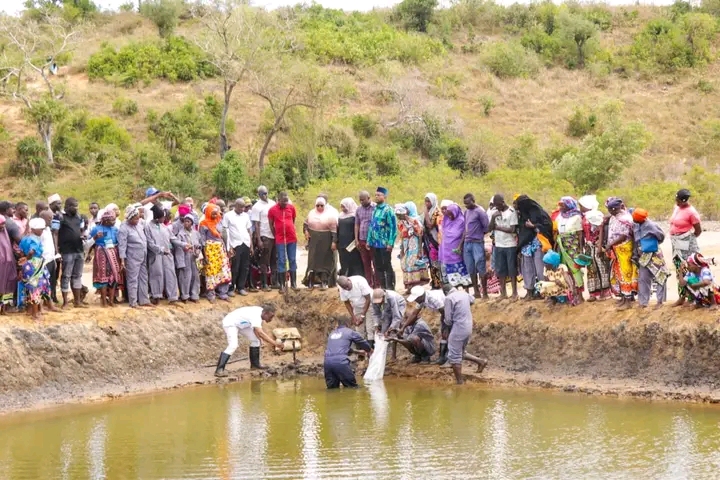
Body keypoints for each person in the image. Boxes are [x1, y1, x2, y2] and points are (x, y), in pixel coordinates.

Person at [214, 304, 284, 377]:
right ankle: (219, 369)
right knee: (233, 345)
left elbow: (255, 329)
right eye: (271, 316)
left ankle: (255, 365)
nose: (271, 319)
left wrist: (260, 339)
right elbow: (260, 332)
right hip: (231, 323)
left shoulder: (261, 312)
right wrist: (275, 343)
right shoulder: (256, 316)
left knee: (256, 340)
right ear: (265, 313)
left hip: (243, 324)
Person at [444, 287, 487, 385]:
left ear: (445, 292)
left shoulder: (448, 298)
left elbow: (448, 320)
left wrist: (447, 329)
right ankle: (481, 361)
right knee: (460, 351)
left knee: (454, 355)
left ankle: (460, 382)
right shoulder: (464, 294)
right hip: (468, 326)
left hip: (458, 327)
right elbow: (472, 300)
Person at [514, 195, 552, 301]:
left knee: (540, 269)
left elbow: (547, 225)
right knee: (527, 269)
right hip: (526, 245)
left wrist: (534, 226)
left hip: (538, 243)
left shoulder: (538, 212)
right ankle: (530, 291)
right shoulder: (522, 215)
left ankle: (545, 292)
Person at [669, 189, 702, 307]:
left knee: (690, 269)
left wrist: (688, 240)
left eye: (677, 200)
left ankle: (693, 297)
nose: (676, 201)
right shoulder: (677, 208)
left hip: (687, 243)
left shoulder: (691, 212)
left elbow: (698, 230)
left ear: (683, 201)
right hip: (676, 243)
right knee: (679, 268)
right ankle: (682, 296)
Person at [604, 197, 638, 310]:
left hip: (624, 248)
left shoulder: (625, 218)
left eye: (612, 209)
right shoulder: (615, 217)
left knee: (626, 273)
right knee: (619, 272)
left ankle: (628, 299)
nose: (610, 211)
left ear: (617, 208)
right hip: (617, 249)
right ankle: (624, 297)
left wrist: (610, 244)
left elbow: (623, 235)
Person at [632, 208, 669, 309]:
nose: (633, 220)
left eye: (635, 219)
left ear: (641, 220)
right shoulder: (635, 225)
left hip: (654, 254)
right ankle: (643, 302)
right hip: (643, 256)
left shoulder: (651, 225)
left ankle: (660, 301)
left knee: (660, 276)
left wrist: (651, 243)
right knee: (643, 278)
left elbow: (661, 236)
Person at [323, 316, 373, 389]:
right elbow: (362, 343)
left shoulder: (332, 334)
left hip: (327, 363)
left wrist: (357, 352)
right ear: (348, 323)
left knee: (332, 389)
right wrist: (370, 350)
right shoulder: (350, 332)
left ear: (338, 324)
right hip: (341, 362)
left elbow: (339, 347)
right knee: (352, 388)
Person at [145, 205, 181, 305]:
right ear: (157, 217)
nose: (164, 219)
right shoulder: (148, 227)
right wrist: (160, 250)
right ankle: (156, 296)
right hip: (156, 255)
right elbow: (150, 243)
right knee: (156, 274)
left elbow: (173, 239)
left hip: (167, 255)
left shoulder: (164, 227)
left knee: (170, 274)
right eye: (162, 217)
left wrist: (184, 245)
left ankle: (172, 298)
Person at [18, 222, 55, 320]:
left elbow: (20, 251)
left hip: (27, 265)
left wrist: (24, 259)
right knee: (35, 288)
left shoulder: (25, 238)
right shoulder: (34, 239)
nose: (42, 231)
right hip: (34, 263)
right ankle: (35, 314)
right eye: (41, 229)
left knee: (29, 287)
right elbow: (32, 251)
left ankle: (30, 311)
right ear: (34, 229)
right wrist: (28, 257)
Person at [118, 204, 152, 309]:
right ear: (130, 218)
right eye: (135, 219)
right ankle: (133, 302)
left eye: (138, 218)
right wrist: (122, 260)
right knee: (132, 279)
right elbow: (122, 245)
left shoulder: (140, 224)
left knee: (143, 277)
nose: (138, 220)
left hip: (142, 255)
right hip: (132, 257)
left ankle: (144, 300)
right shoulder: (124, 228)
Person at [579, 196, 612, 302]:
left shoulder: (596, 215)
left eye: (582, 205)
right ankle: (594, 292)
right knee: (591, 269)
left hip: (597, 245)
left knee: (601, 267)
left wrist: (599, 246)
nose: (580, 207)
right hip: (589, 246)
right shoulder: (584, 217)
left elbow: (601, 230)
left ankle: (605, 292)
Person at [89, 210, 123, 308]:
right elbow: (88, 241)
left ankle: (111, 301)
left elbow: (118, 242)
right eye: (112, 220)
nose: (114, 221)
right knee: (103, 277)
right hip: (101, 253)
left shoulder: (115, 229)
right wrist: (95, 237)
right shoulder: (96, 229)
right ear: (106, 220)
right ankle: (103, 301)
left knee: (114, 276)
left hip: (113, 253)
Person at [57, 197, 87, 309]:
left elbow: (83, 230)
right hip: (67, 251)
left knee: (77, 276)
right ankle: (65, 302)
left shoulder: (80, 217)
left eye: (77, 205)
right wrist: (57, 250)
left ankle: (77, 301)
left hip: (79, 250)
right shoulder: (61, 218)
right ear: (67, 207)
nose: (76, 208)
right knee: (66, 276)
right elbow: (55, 233)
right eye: (74, 206)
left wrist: (84, 234)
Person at [406, 285, 448, 364]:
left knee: (446, 333)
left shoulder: (433, 298)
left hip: (448, 311)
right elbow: (414, 313)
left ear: (421, 296)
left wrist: (446, 324)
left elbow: (444, 311)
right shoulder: (421, 300)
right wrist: (403, 327)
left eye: (416, 299)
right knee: (444, 334)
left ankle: (444, 357)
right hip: (444, 312)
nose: (415, 301)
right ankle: (442, 357)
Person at [303, 197, 338, 290]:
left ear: (325, 205)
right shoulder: (311, 213)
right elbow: (305, 224)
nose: (319, 207)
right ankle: (310, 282)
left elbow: (334, 231)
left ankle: (324, 282)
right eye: (317, 205)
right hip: (313, 241)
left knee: (324, 262)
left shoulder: (330, 215)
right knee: (312, 262)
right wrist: (306, 231)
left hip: (326, 241)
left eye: (321, 205)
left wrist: (334, 242)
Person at [200, 204, 232, 303]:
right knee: (211, 273)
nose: (215, 215)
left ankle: (223, 293)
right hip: (210, 251)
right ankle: (211, 294)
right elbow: (202, 240)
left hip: (220, 249)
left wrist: (227, 249)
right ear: (208, 213)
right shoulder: (203, 224)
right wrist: (204, 255)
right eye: (212, 214)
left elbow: (223, 236)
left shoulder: (219, 221)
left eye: (216, 213)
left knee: (224, 271)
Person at [366, 187, 397, 290]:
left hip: (385, 243)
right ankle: (382, 286)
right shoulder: (375, 210)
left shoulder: (388, 210)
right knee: (378, 265)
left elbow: (393, 227)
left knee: (387, 265)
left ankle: (390, 287)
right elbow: (371, 226)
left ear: (385, 197)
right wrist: (369, 241)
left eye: (379, 195)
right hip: (375, 243)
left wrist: (390, 243)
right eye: (375, 195)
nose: (376, 197)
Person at [489, 194, 519, 300]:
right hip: (498, 244)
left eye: (498, 205)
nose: (497, 207)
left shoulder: (511, 212)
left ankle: (515, 293)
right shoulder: (495, 213)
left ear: (502, 202)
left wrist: (497, 227)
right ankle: (503, 293)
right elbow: (489, 228)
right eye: (495, 206)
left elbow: (512, 229)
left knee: (511, 269)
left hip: (510, 244)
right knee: (500, 269)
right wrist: (493, 218)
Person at [556, 197, 585, 302]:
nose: (560, 207)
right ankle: (573, 293)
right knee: (566, 269)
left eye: (563, 205)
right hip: (562, 245)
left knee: (575, 268)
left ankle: (580, 294)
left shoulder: (576, 216)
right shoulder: (560, 217)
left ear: (569, 205)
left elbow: (580, 234)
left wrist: (581, 249)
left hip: (573, 245)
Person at [395, 202, 429, 292]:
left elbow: (420, 234)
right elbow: (402, 236)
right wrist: (401, 249)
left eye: (407, 209)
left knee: (413, 265)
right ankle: (409, 286)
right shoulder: (402, 222)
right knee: (405, 265)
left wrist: (419, 251)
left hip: (415, 245)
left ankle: (416, 287)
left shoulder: (415, 220)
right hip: (406, 246)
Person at [268, 192, 297, 292]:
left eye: (287, 201)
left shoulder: (291, 208)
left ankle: (293, 283)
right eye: (283, 201)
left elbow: (293, 220)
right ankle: (282, 285)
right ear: (278, 200)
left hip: (291, 238)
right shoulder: (272, 210)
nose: (285, 203)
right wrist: (276, 235)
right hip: (280, 239)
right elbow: (271, 225)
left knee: (292, 259)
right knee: (281, 260)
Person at [224, 198, 254, 295]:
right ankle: (231, 288)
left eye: (243, 207)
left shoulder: (246, 216)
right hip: (235, 244)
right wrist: (229, 247)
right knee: (235, 267)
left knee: (245, 266)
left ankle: (241, 287)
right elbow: (226, 232)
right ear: (236, 206)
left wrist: (251, 246)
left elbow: (249, 231)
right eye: (241, 207)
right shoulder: (228, 216)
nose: (242, 209)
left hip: (245, 243)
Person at [250, 186, 277, 291]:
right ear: (259, 195)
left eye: (266, 193)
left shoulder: (272, 203)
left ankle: (275, 282)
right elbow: (256, 224)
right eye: (263, 194)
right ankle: (264, 283)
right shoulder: (256, 207)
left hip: (274, 234)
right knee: (264, 260)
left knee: (274, 259)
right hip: (264, 235)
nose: (265, 195)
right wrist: (259, 240)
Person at [462, 194, 489, 298]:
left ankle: (485, 293)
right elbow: (465, 228)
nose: (467, 206)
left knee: (480, 266)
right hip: (467, 242)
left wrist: (478, 235)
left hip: (477, 242)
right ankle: (476, 292)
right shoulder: (466, 212)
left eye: (468, 203)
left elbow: (486, 227)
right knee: (470, 268)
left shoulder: (480, 212)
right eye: (465, 204)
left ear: (473, 200)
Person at [439, 202, 471, 288]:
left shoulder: (461, 221)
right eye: (448, 214)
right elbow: (444, 235)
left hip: (457, 251)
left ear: (455, 212)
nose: (449, 216)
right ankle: (454, 291)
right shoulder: (446, 220)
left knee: (463, 276)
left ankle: (466, 291)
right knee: (451, 278)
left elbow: (459, 234)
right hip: (447, 253)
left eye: (451, 214)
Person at [337, 275, 374, 345]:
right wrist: (353, 317)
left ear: (349, 280)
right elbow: (347, 303)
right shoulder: (342, 288)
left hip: (369, 304)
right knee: (358, 327)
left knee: (370, 327)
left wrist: (362, 316)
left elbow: (368, 299)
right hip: (357, 306)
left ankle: (371, 346)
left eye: (347, 286)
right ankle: (361, 347)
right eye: (345, 288)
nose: (347, 289)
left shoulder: (359, 281)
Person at [174, 214, 202, 303]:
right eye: (185, 221)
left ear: (192, 223)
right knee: (185, 277)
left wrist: (198, 250)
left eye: (188, 221)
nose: (186, 223)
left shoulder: (196, 233)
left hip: (194, 258)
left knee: (195, 277)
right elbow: (178, 248)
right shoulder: (180, 234)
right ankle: (184, 296)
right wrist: (180, 262)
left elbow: (199, 244)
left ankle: (194, 295)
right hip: (185, 258)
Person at [355, 190, 376, 287]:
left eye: (363, 200)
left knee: (375, 262)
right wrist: (356, 239)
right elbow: (357, 224)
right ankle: (369, 284)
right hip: (362, 239)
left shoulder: (375, 208)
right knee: (366, 263)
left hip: (373, 240)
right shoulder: (358, 209)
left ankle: (377, 284)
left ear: (369, 198)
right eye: (360, 200)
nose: (362, 202)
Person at [337, 198, 363, 278]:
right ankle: (345, 278)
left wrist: (357, 240)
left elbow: (358, 228)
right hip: (342, 243)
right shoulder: (340, 216)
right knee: (344, 261)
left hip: (352, 243)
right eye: (341, 207)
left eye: (344, 207)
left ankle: (356, 278)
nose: (343, 209)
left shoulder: (356, 215)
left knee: (354, 261)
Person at [422, 193, 443, 289]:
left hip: (435, 240)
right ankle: (434, 282)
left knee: (436, 262)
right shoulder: (429, 211)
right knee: (431, 262)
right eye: (425, 201)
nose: (426, 203)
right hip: (428, 240)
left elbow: (430, 225)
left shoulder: (436, 212)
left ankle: (439, 283)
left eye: (428, 201)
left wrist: (426, 214)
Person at [39, 209, 59, 304]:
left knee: (51, 282)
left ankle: (49, 302)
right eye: (49, 219)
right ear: (43, 219)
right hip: (44, 261)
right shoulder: (40, 231)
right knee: (44, 282)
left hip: (51, 259)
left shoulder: (48, 229)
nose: (51, 221)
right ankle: (44, 303)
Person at [0, 216, 16, 314]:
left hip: (8, 264)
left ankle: (4, 308)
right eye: (1, 224)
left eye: (4, 224)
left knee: (8, 286)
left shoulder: (4, 233)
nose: (3, 226)